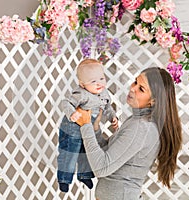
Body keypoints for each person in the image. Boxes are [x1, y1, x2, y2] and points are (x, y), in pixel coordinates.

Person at [75, 67, 182, 200]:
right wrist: (95, 129)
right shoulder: (137, 121)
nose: (133, 88)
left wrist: (85, 126)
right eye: (135, 82)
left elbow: (101, 168)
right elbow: (108, 155)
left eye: (141, 89)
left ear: (153, 101)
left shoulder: (141, 128)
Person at [57, 58, 118, 193]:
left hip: (89, 128)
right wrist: (72, 113)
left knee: (86, 152)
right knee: (70, 153)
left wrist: (113, 116)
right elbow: (65, 103)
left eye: (102, 78)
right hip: (72, 127)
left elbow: (108, 107)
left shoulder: (104, 93)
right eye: (93, 81)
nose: (99, 84)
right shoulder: (81, 94)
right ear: (82, 84)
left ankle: (84, 175)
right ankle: (64, 179)